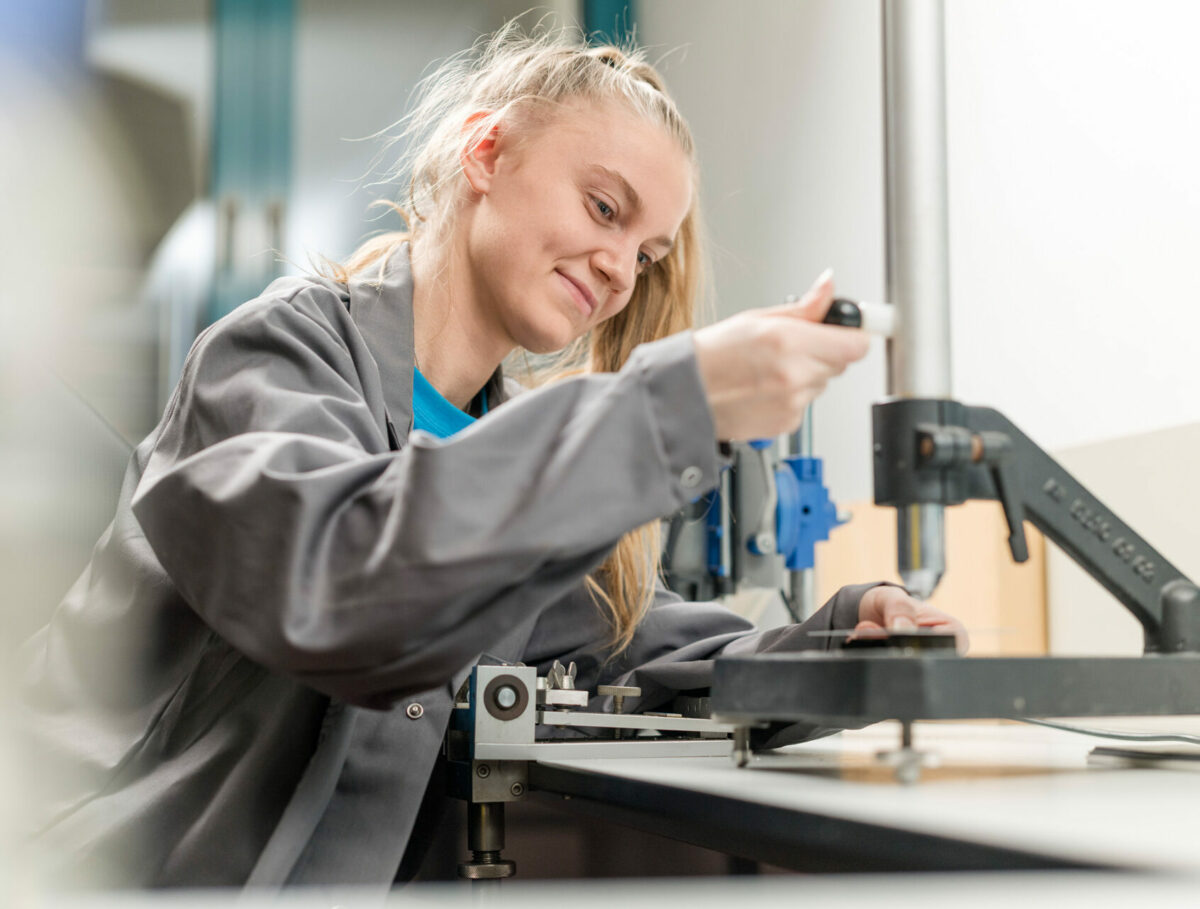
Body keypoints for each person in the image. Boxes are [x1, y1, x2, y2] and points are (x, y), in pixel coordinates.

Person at [18, 24, 965, 889]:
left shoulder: (500, 457)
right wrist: (672, 408)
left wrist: (846, 643)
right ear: (486, 152)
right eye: (604, 207)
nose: (620, 267)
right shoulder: (274, 358)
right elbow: (338, 580)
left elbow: (641, 657)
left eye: (647, 250)